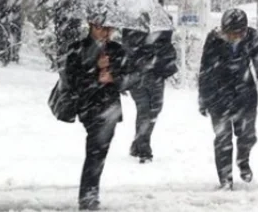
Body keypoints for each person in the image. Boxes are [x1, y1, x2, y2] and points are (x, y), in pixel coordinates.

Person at [63, 20, 137, 210]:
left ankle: (90, 193)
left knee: (98, 152)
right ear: (90, 26)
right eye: (100, 28)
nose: (105, 32)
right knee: (95, 150)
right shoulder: (77, 48)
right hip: (89, 106)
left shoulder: (116, 50)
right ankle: (88, 196)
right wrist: (95, 69)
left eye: (109, 28)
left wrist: (114, 77)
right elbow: (73, 80)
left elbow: (130, 77)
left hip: (110, 107)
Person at [198, 8, 258, 190]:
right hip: (218, 94)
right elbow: (205, 69)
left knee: (247, 136)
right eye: (230, 33)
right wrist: (203, 97)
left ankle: (243, 159)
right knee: (222, 138)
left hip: (245, 93)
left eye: (238, 33)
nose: (234, 36)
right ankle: (225, 178)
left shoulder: (253, 37)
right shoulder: (214, 39)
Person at [125, 28, 178, 163]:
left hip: (156, 74)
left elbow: (167, 47)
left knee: (154, 109)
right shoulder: (133, 25)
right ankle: (144, 149)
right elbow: (128, 50)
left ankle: (138, 143)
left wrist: (158, 57)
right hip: (138, 75)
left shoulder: (163, 24)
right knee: (144, 110)